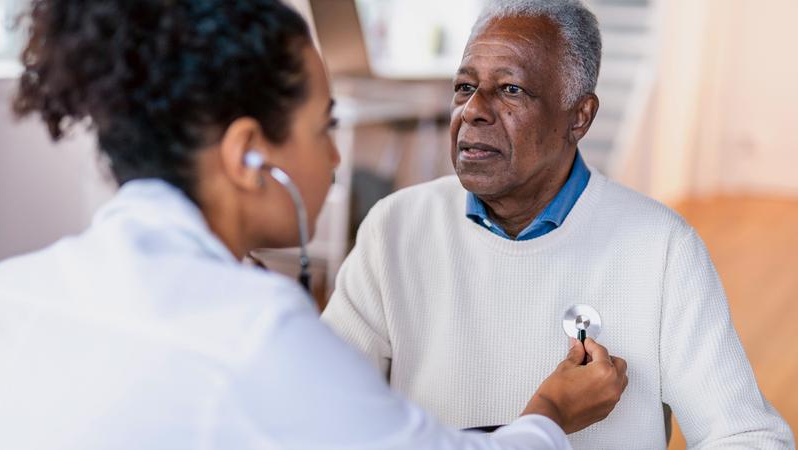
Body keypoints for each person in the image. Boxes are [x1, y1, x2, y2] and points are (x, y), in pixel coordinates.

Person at [0, 1, 629, 449]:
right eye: (325, 126)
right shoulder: (255, 338)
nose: (333, 158)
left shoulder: (16, 289)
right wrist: (550, 412)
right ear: (249, 153)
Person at [321, 0, 795, 448]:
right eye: (465, 87)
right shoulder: (395, 227)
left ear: (580, 118)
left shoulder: (663, 248)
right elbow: (317, 411)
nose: (473, 111)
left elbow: (747, 436)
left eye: (511, 90)